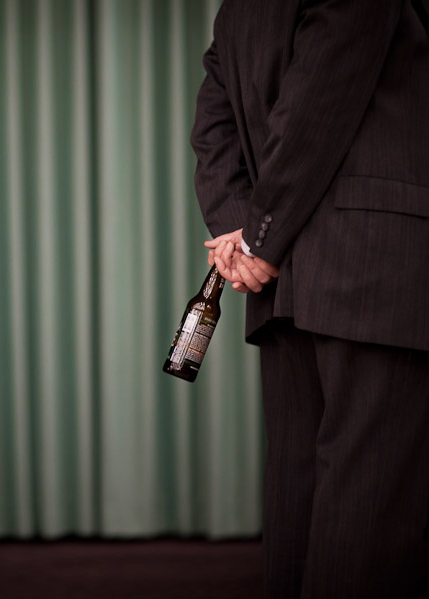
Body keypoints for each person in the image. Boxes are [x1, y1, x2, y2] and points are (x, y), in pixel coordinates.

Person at [190, 0, 429, 597]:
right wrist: (260, 240)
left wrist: (241, 231)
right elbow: (316, 102)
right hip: (372, 260)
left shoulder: (236, 9)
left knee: (301, 487)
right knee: (369, 500)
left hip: (287, 280)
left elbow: (213, 124)